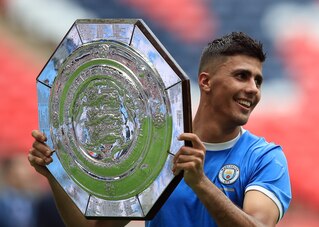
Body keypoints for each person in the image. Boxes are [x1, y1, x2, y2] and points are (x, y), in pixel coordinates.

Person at [28, 32, 291, 227]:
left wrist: (200, 183)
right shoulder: (155, 149)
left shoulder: (265, 158)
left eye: (258, 80)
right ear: (206, 82)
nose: (253, 89)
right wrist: (55, 172)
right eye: (242, 76)